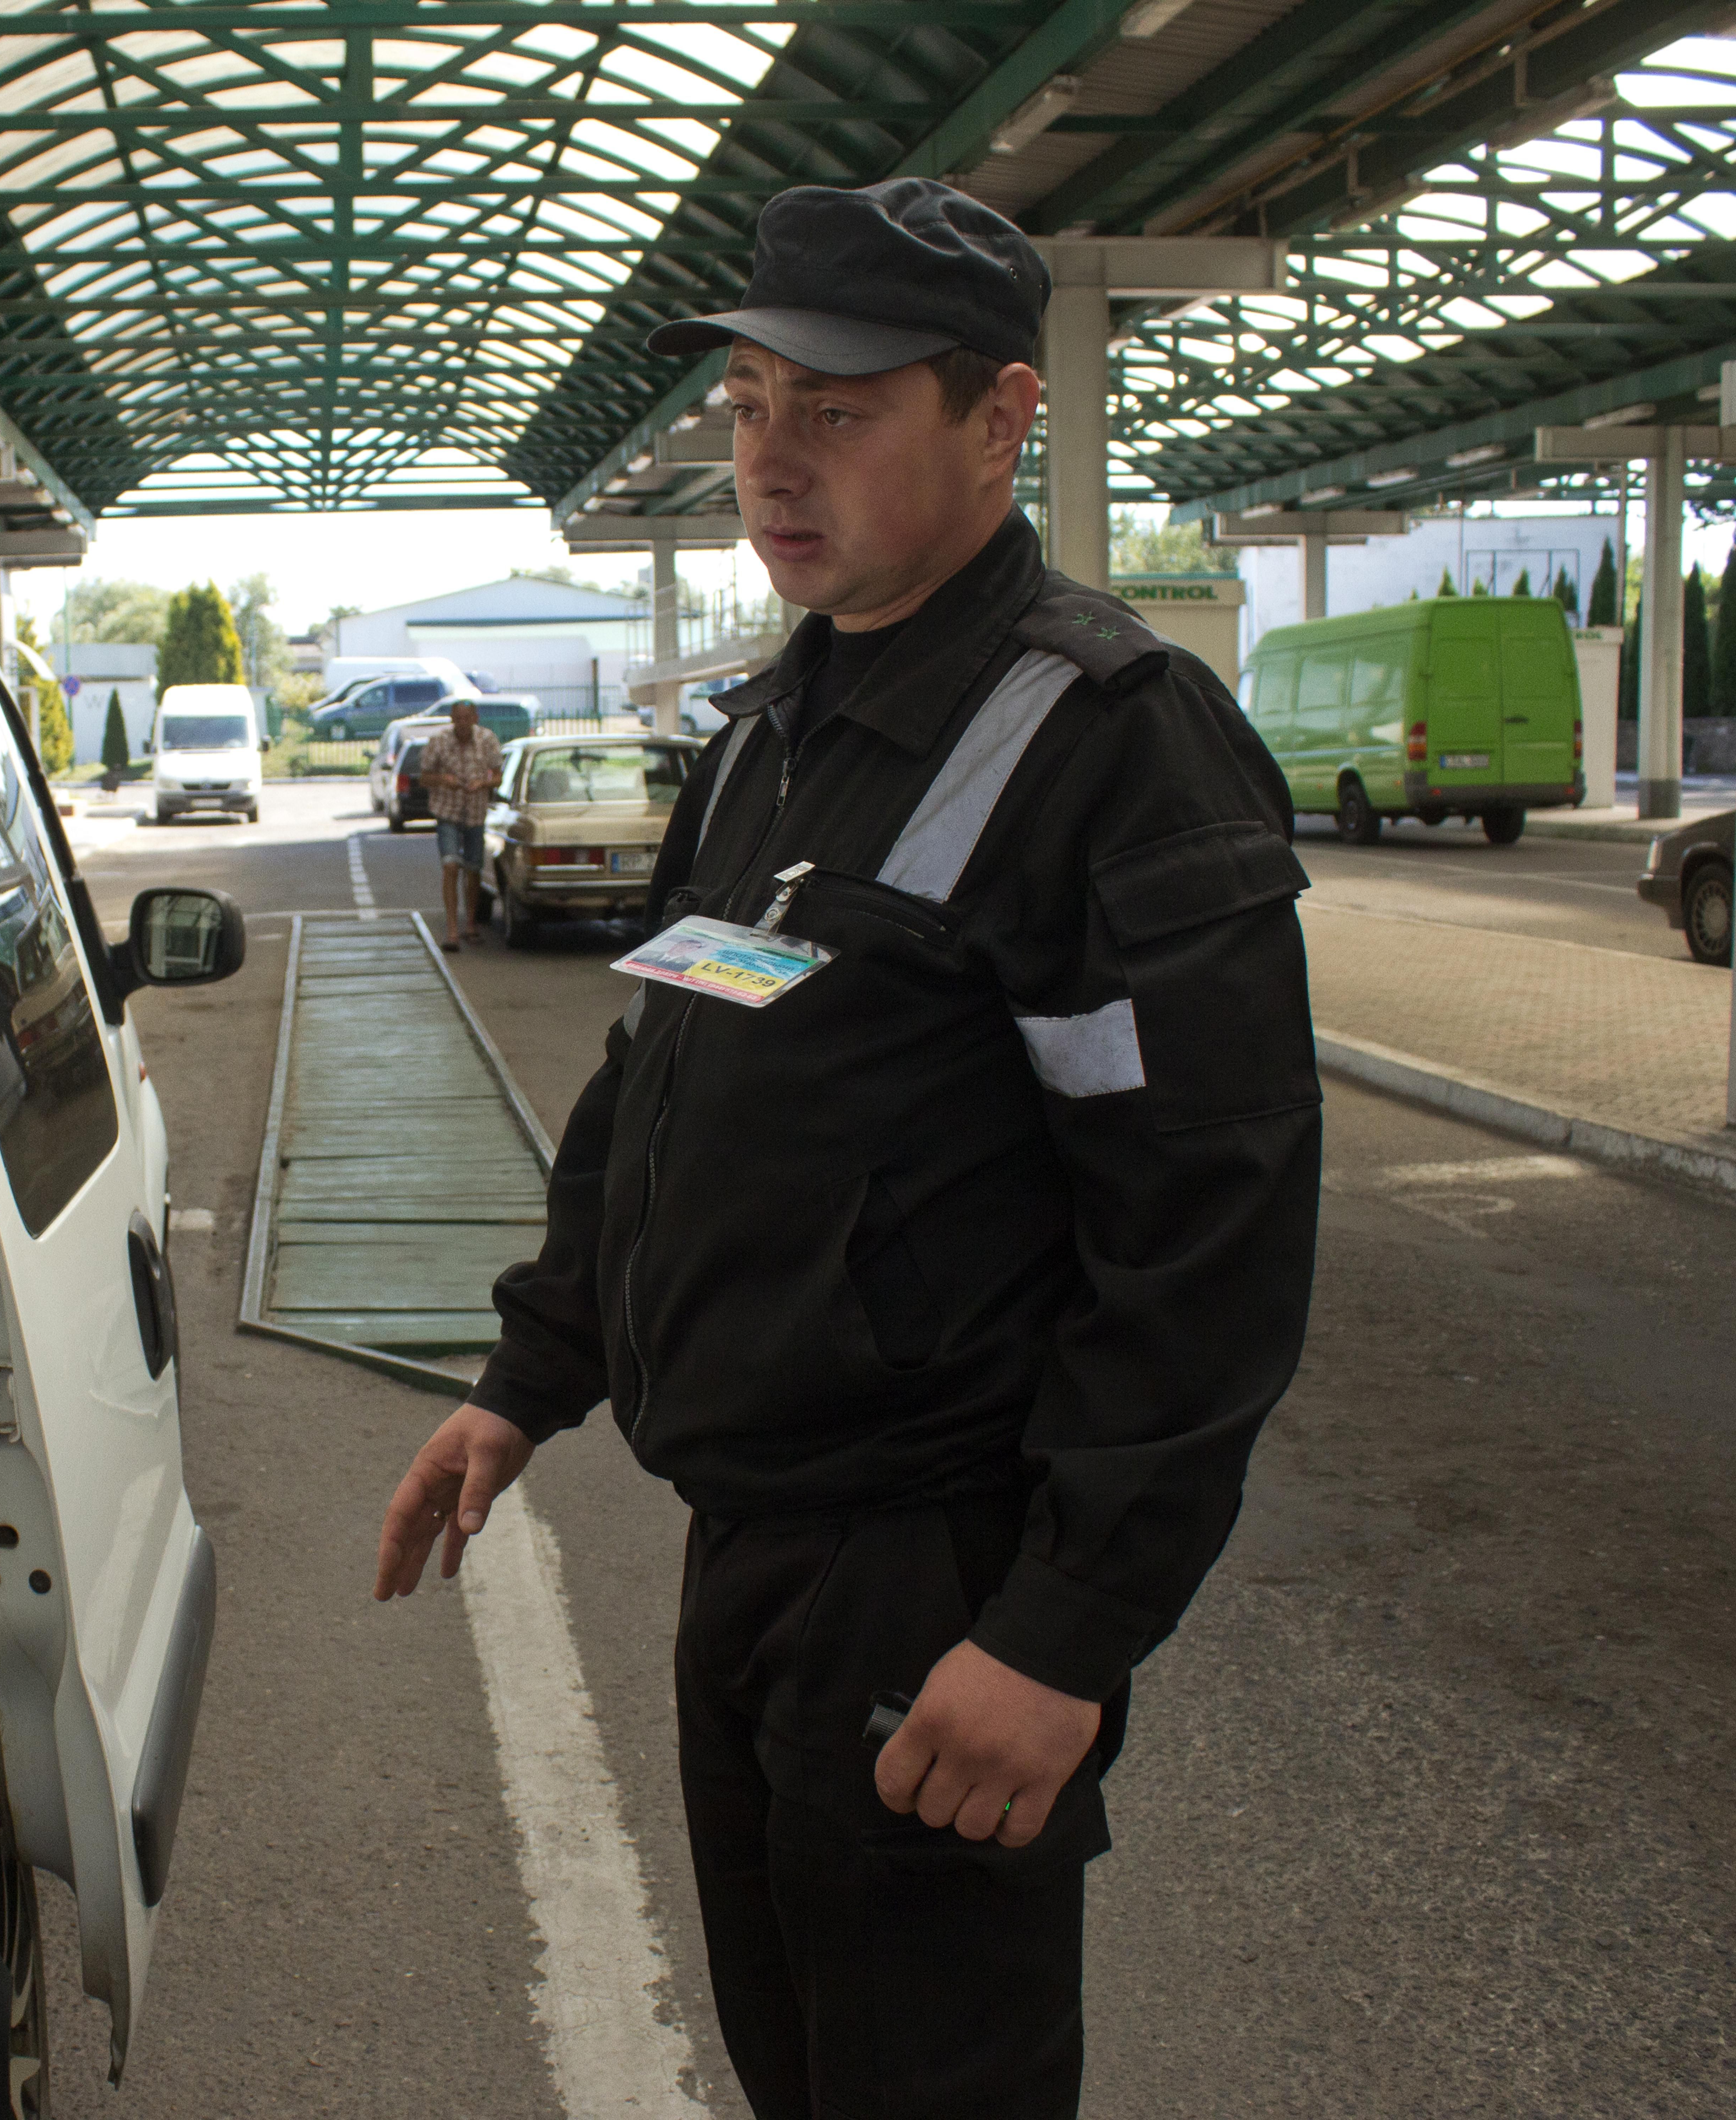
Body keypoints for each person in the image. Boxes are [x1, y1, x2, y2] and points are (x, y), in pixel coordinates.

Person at [372, 177, 1322, 2119]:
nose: (770, 464)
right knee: (798, 2066)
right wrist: (533, 1371)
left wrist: (1060, 1628)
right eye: (741, 406)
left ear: (996, 421)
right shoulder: (766, 735)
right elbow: (663, 1085)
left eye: (837, 407)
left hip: (930, 1577)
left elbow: (1206, 1228)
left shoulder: (1111, 740)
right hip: (752, 1559)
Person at [416, 695, 504, 950]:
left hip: (476, 813)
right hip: (448, 813)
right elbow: (424, 778)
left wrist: (484, 784)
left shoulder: (487, 740)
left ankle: (471, 925)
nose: (462, 723)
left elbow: (498, 776)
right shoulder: (439, 742)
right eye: (458, 719)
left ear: (475, 719)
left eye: (467, 718)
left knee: (474, 870)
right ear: (452, 720)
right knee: (451, 866)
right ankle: (453, 931)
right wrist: (444, 779)